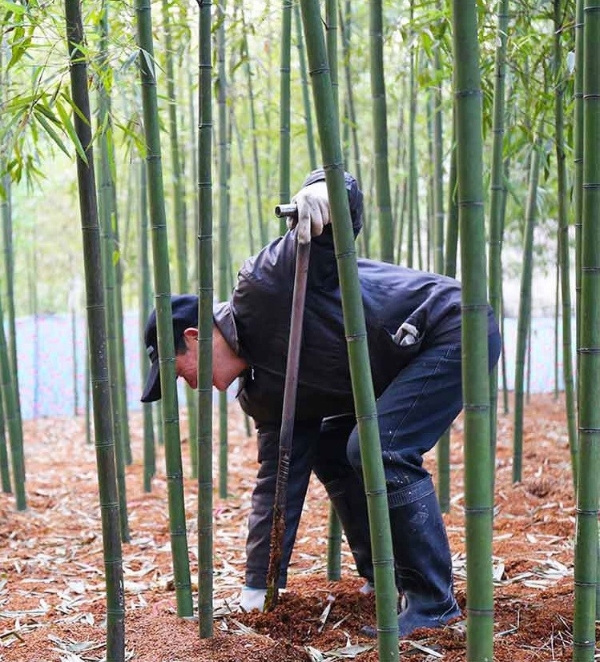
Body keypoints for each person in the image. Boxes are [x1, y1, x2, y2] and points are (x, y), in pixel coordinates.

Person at [141, 169, 502, 638]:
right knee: (336, 448)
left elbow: (334, 210)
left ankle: (434, 600)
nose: (188, 385)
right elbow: (278, 481)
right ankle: (383, 574)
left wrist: (320, 190)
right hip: (394, 365)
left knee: (382, 448)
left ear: (194, 338)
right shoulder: (261, 393)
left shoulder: (263, 285)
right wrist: (258, 586)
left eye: (178, 369)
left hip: (450, 328)